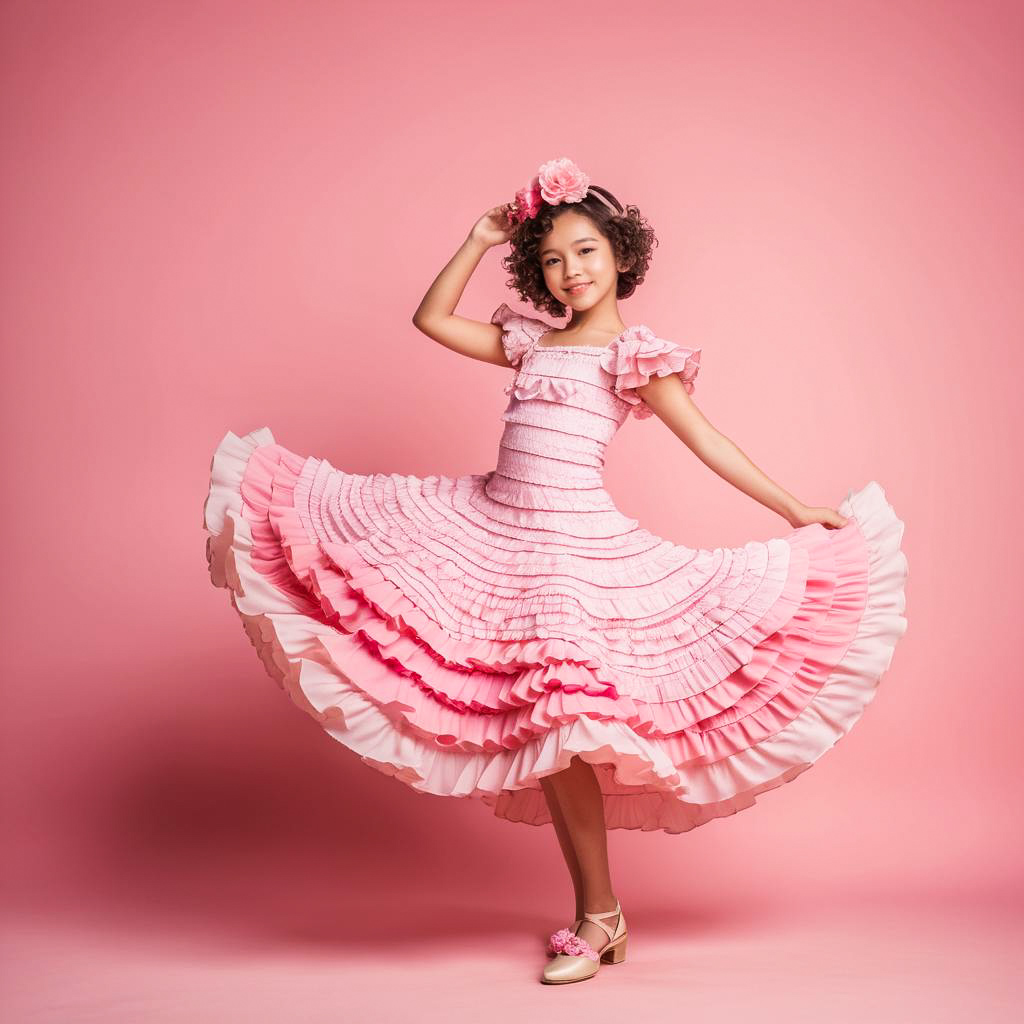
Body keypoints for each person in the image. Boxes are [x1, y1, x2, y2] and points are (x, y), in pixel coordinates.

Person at [202, 156, 909, 985]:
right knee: (515, 706)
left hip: (574, 553)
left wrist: (793, 508)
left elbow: (709, 440)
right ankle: (600, 914)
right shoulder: (531, 343)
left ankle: (597, 914)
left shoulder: (633, 356)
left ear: (622, 258)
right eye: (552, 260)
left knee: (570, 723)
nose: (570, 271)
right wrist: (476, 238)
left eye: (586, 253)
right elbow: (432, 320)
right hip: (494, 529)